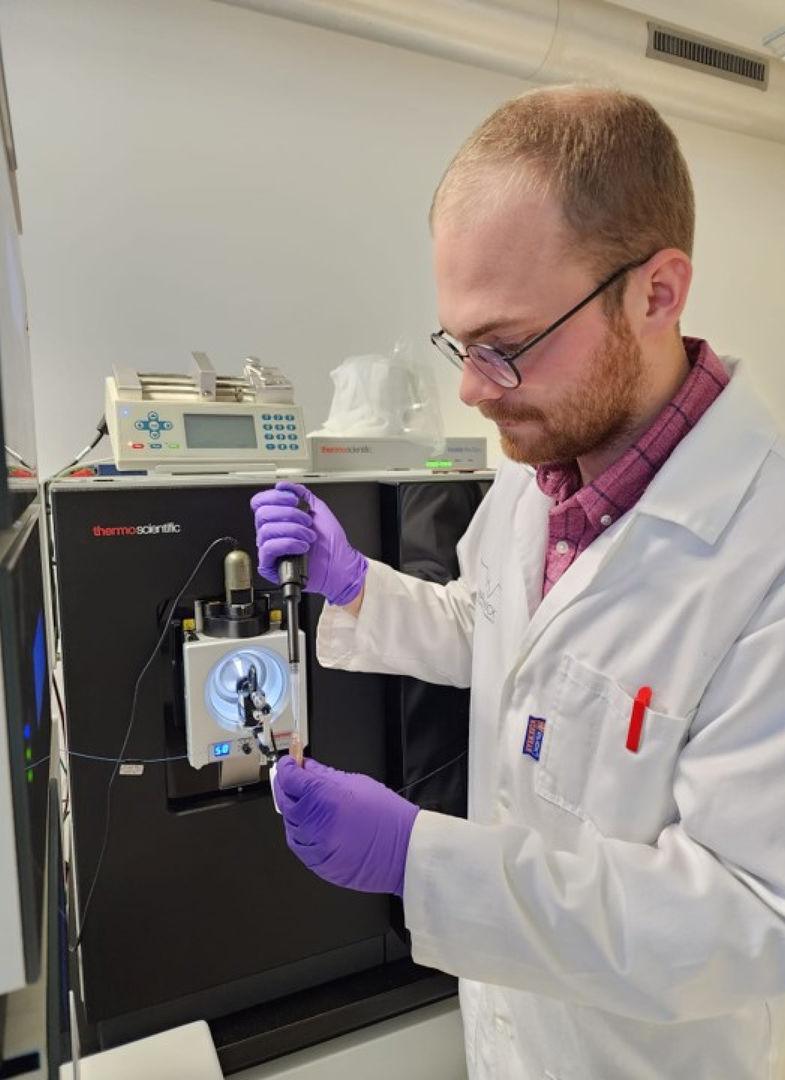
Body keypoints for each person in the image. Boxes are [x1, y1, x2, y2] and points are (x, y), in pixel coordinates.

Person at [250, 85, 785, 1079]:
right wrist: (355, 583)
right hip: (514, 1042)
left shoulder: (762, 553)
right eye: (458, 344)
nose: (469, 387)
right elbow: (488, 627)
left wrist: (424, 863)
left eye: (506, 346)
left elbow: (750, 921)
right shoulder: (537, 469)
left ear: (656, 293)